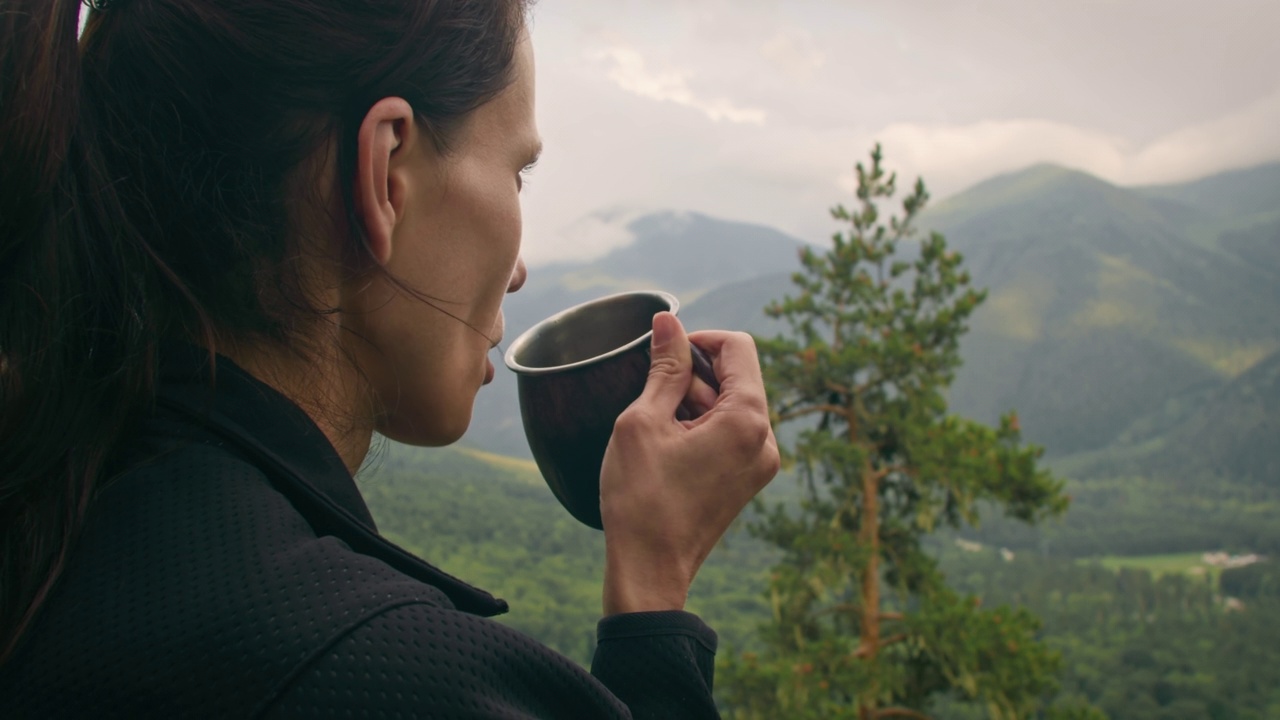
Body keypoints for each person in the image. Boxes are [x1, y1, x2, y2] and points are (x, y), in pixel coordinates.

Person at [0, 1, 780, 718]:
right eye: (517, 171)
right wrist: (652, 604)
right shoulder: (386, 677)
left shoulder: (59, 488)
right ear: (387, 173)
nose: (518, 271)